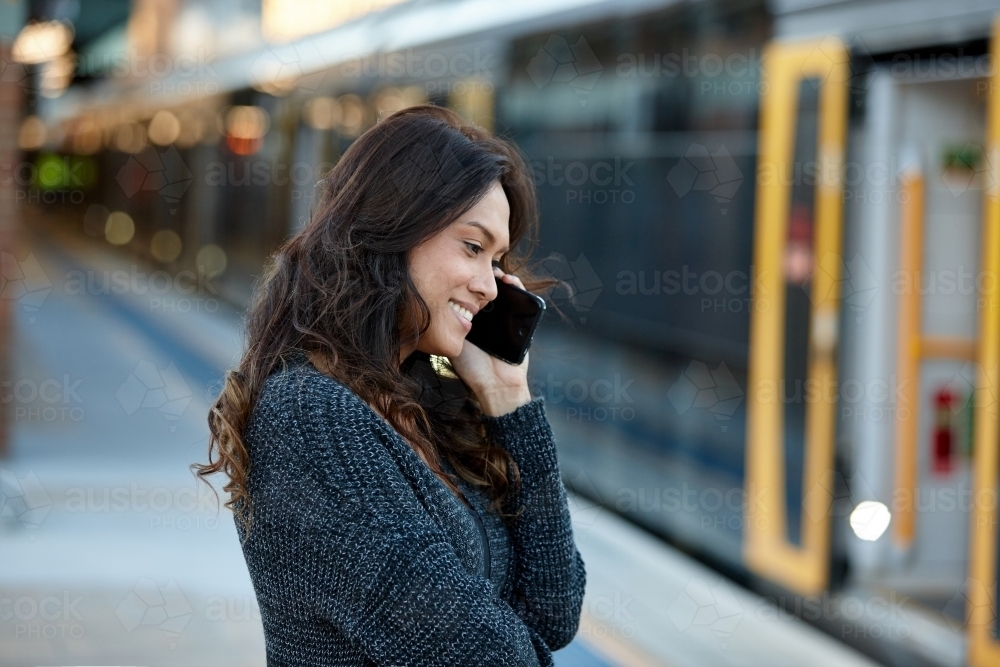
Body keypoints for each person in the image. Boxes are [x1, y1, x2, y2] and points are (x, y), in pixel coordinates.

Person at [193, 104, 586, 666]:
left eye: (497, 260)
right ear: (395, 226)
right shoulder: (310, 419)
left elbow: (554, 612)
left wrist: (508, 398)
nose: (490, 286)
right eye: (472, 248)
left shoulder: (424, 402)